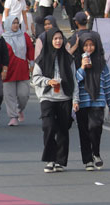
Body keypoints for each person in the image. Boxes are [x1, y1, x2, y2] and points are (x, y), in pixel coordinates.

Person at [32, 29, 79, 173]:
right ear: (50, 41)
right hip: (47, 97)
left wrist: (75, 100)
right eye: (55, 39)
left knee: (63, 130)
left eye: (60, 38)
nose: (58, 41)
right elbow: (35, 78)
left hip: (65, 97)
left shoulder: (69, 59)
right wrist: (48, 81)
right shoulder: (41, 59)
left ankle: (60, 161)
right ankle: (50, 159)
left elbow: (74, 80)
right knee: (49, 126)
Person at [75, 33, 110, 171]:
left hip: (98, 102)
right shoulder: (76, 62)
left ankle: (96, 153)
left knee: (95, 128)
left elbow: (108, 85)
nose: (88, 48)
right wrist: (82, 67)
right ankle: (87, 160)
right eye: (85, 45)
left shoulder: (102, 64)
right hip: (82, 102)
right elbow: (75, 81)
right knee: (83, 131)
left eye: (91, 45)